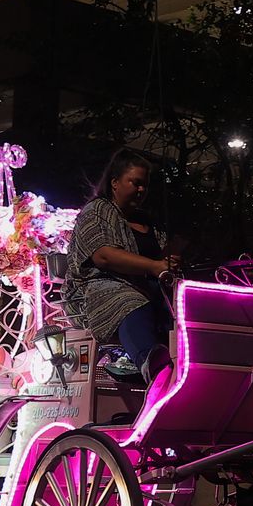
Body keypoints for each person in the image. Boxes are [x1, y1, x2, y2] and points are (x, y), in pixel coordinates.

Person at [66, 148, 179, 381]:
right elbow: (103, 256)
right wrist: (154, 266)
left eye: (145, 185)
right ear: (115, 183)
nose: (141, 190)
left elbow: (162, 257)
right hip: (99, 287)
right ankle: (150, 363)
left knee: (179, 308)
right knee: (130, 301)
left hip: (150, 288)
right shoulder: (97, 210)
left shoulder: (148, 221)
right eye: (135, 182)